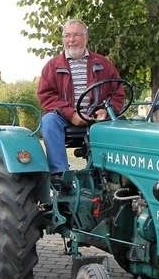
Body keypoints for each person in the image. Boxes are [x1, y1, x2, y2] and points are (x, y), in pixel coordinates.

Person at [37, 18, 125, 178]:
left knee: (124, 123)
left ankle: (113, 173)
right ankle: (60, 175)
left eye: (76, 35)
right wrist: (72, 114)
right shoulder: (52, 66)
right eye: (67, 36)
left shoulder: (104, 64)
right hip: (64, 117)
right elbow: (46, 96)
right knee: (49, 121)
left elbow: (118, 92)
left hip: (97, 116)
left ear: (86, 37)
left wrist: (105, 111)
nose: (71, 40)